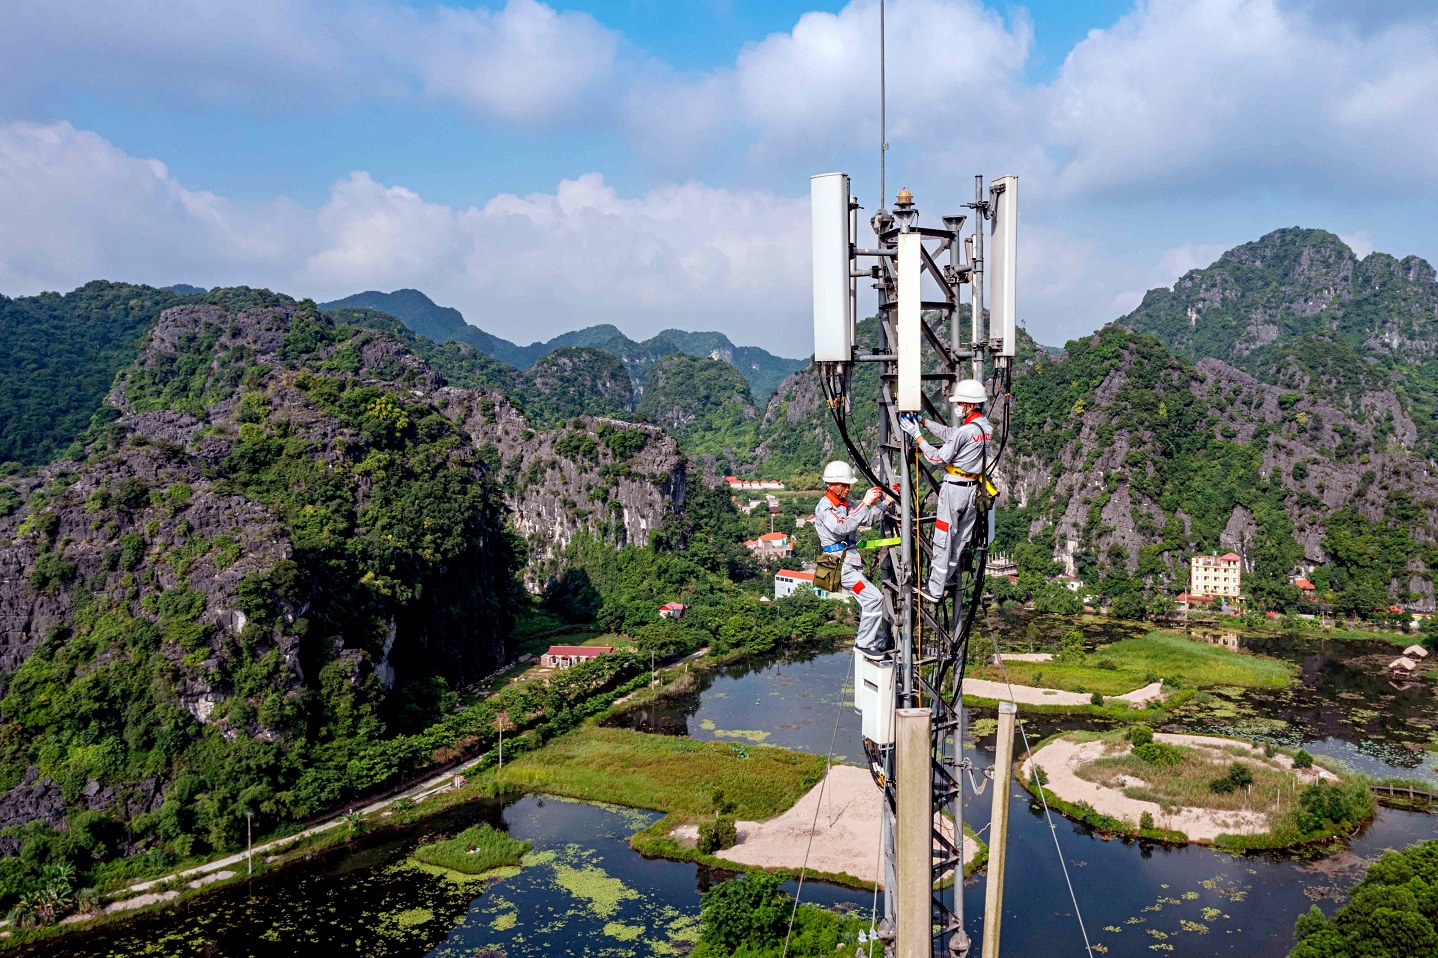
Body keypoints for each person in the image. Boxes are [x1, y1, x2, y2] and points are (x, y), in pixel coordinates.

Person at [899, 379, 993, 602]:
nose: (957, 407)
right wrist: (923, 421)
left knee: (943, 537)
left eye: (960, 403)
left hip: (954, 491)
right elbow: (951, 433)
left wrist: (917, 436)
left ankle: (935, 589)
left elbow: (937, 458)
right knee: (960, 539)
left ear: (970, 405)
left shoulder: (966, 431)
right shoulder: (985, 428)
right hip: (974, 491)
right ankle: (945, 578)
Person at [813, 460, 893, 659]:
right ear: (831, 485)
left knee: (866, 603)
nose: (848, 489)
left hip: (851, 563)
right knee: (873, 599)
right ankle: (864, 643)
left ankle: (878, 641)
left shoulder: (846, 504)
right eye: (844, 485)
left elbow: (865, 519)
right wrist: (865, 503)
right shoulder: (825, 508)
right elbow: (843, 527)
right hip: (840, 566)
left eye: (848, 485)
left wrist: (885, 503)